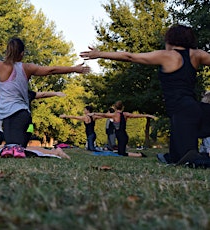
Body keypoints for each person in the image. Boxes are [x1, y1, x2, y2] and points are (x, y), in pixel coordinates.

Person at [80, 25, 210, 166]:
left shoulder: (166, 55)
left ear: (170, 39)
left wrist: (100, 54)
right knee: (178, 157)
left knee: (189, 160)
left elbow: (129, 57)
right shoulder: (198, 55)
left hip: (181, 113)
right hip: (194, 109)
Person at [91, 101, 156, 157]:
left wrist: (93, 113)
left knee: (121, 153)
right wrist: (148, 115)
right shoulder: (125, 114)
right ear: (122, 107)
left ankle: (139, 155)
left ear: (115, 107)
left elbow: (103, 114)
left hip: (121, 136)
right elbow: (137, 116)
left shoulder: (114, 115)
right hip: (123, 135)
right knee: (120, 152)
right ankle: (138, 154)